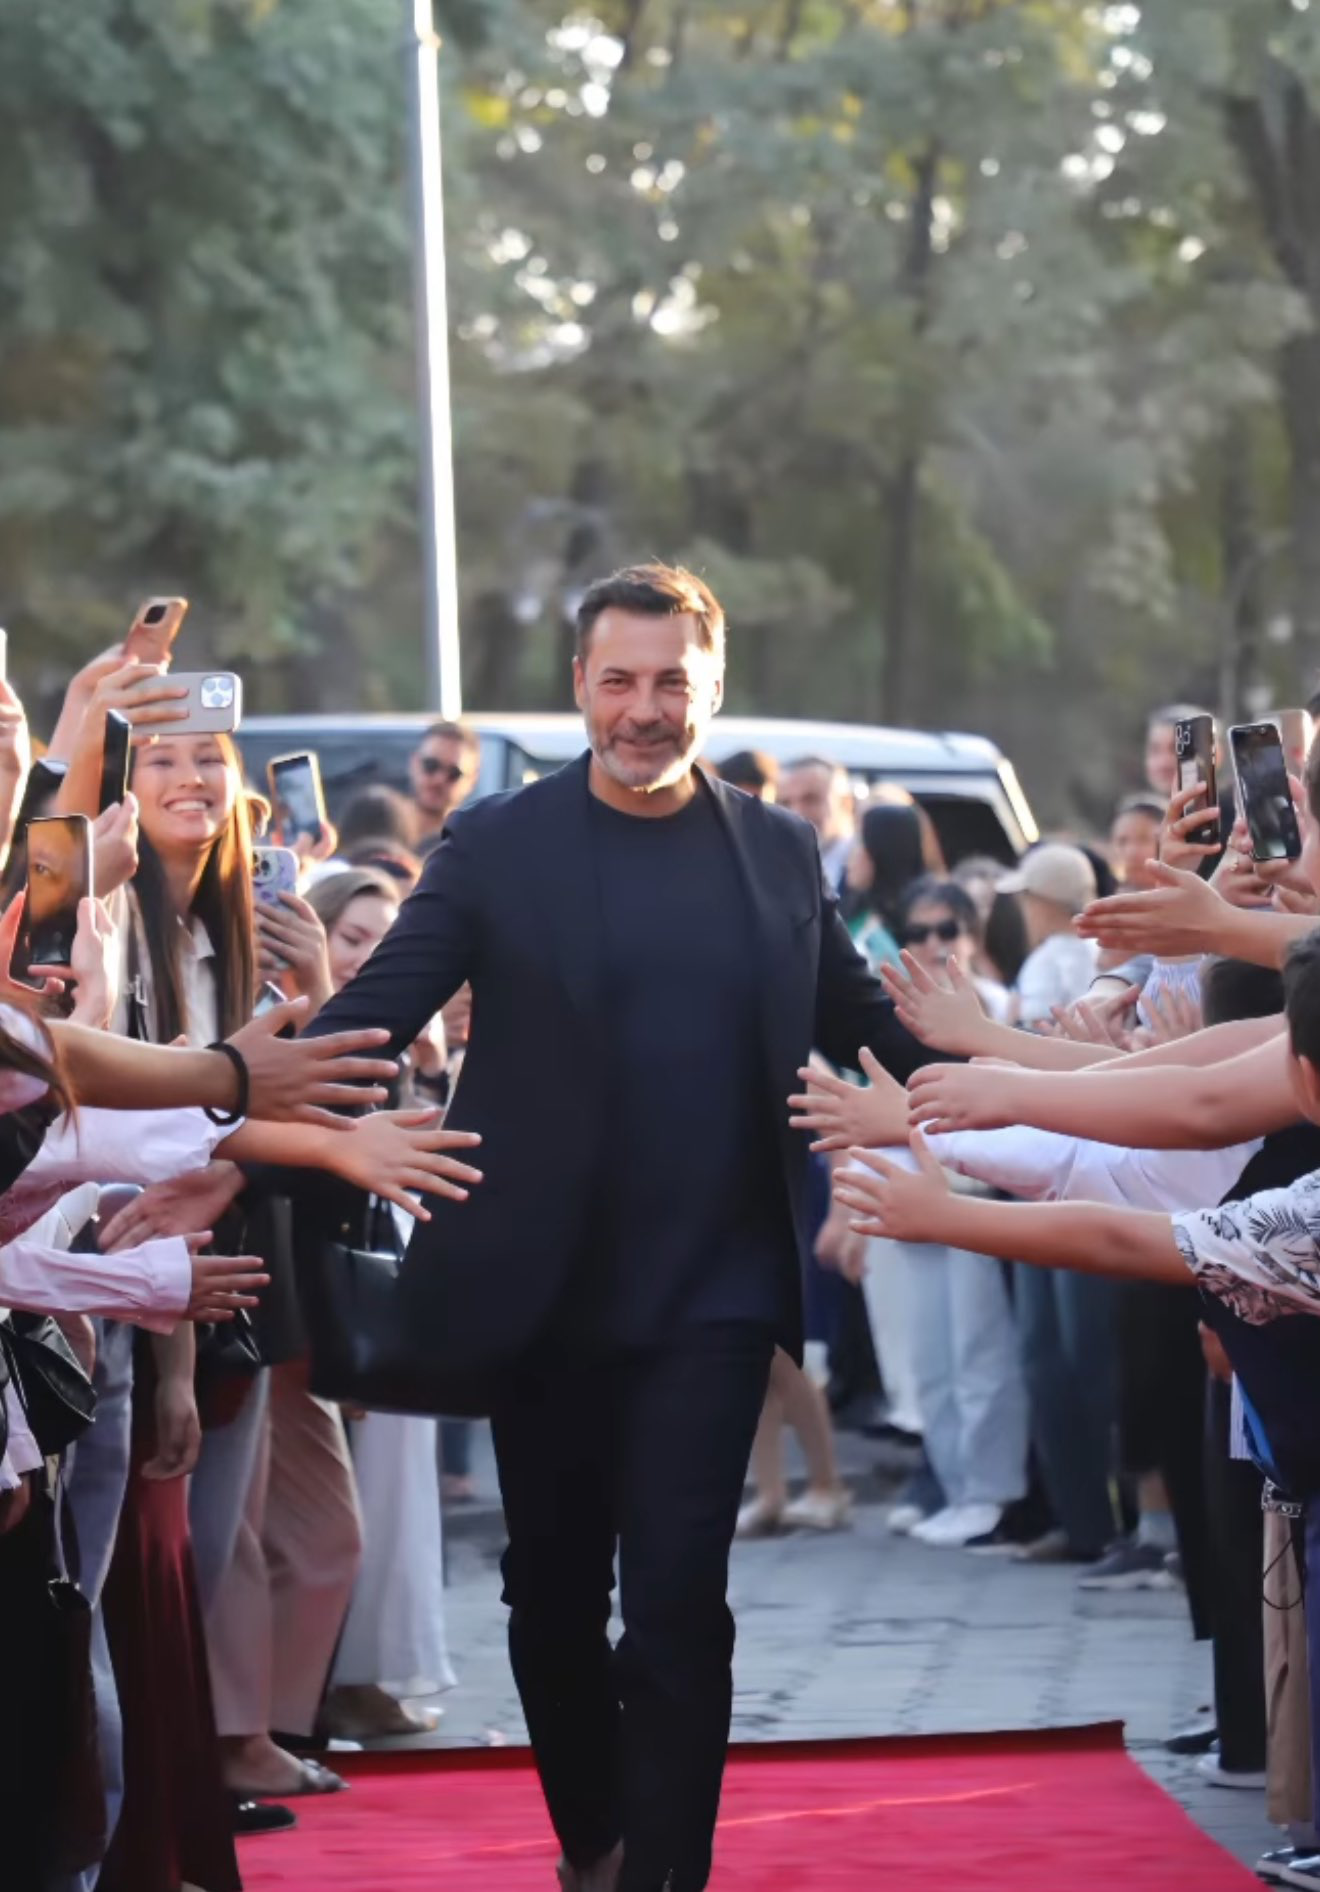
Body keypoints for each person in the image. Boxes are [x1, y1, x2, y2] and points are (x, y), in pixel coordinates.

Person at [302, 561, 932, 1892]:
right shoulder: (497, 844)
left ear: (715, 684)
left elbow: (878, 1029)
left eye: (672, 682)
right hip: (541, 1299)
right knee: (551, 1599)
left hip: (715, 1295)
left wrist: (1046, 1073)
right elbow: (370, 1019)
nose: (646, 708)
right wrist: (241, 1110)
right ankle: (595, 1842)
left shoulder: (777, 850)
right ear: (581, 685)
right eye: (620, 680)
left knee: (681, 1605)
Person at [998, 842, 1099, 1024]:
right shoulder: (1105, 948)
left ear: (1043, 903)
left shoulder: (1046, 960)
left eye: (1027, 897)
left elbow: (1037, 1029)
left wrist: (1012, 1021)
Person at [778, 754, 856, 892]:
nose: (797, 812)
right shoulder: (771, 868)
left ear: (846, 803)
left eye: (811, 799)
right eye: (785, 803)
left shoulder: (866, 869)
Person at [408, 719, 481, 853]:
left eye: (454, 773)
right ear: (414, 763)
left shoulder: (476, 848)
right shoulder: (381, 831)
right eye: (431, 765)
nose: (439, 780)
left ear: (472, 780)